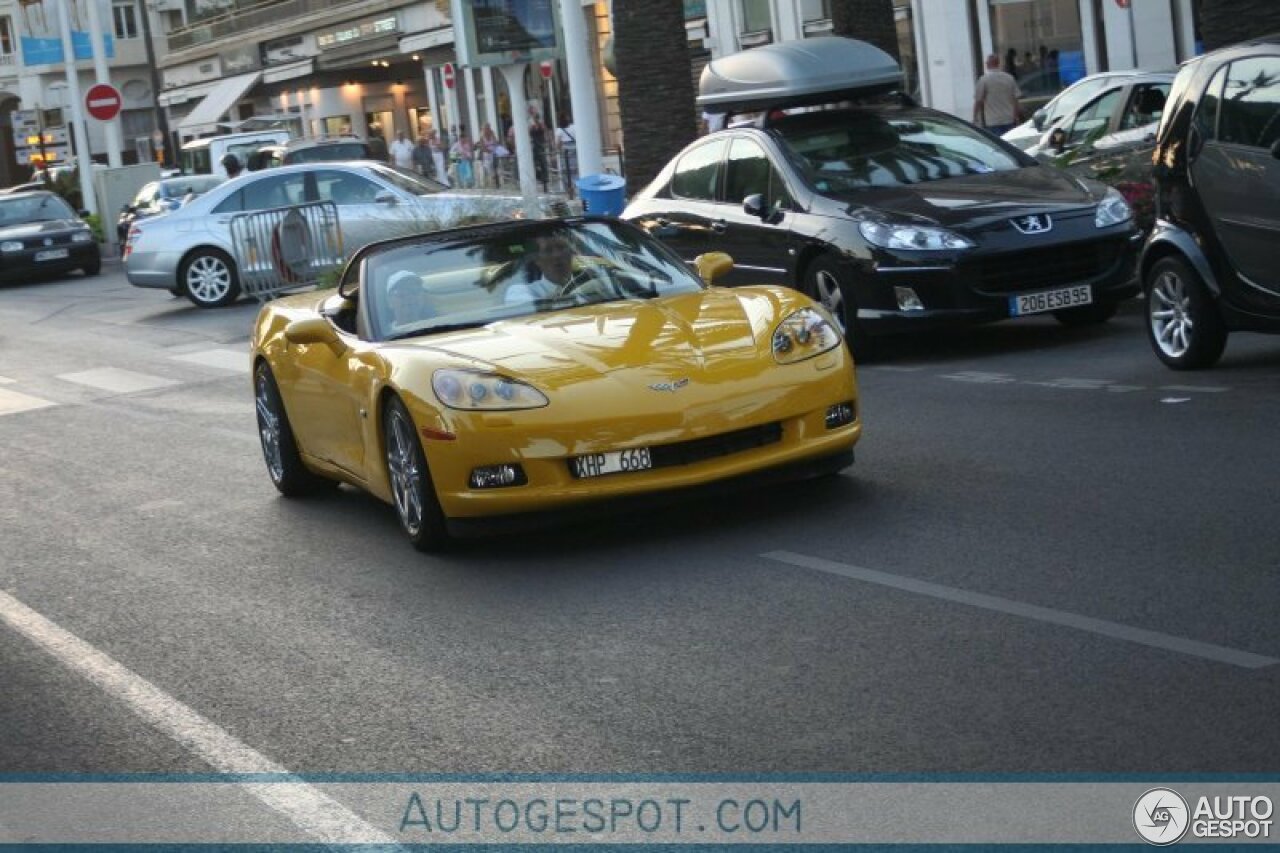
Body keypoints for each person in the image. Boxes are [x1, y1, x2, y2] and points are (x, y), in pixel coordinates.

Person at [504, 233, 607, 307]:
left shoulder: (597, 281)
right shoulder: (520, 291)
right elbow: (531, 310)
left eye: (562, 247)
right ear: (536, 259)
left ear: (571, 253)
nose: (557, 255)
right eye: (548, 250)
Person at [974, 53, 1022, 137]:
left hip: (992, 121)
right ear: (998, 63)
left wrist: (975, 118)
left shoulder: (984, 80)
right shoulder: (1009, 78)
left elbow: (978, 100)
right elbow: (1016, 100)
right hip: (1009, 119)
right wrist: (1016, 117)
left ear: (988, 64)